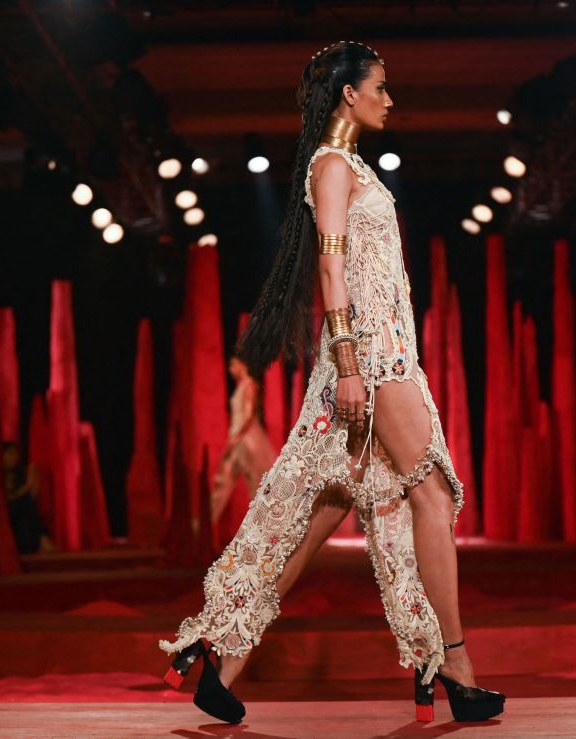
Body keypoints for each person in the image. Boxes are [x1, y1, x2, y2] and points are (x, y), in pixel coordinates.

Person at [159, 41, 504, 725]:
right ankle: (455, 665)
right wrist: (350, 362)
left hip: (378, 351)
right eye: (381, 85)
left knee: (319, 510)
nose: (389, 97)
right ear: (350, 93)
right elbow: (330, 267)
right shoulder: (332, 168)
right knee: (432, 493)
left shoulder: (348, 167)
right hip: (371, 356)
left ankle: (221, 659)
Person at [210, 357, 277, 526]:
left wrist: (235, 438)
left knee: (256, 484)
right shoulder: (242, 386)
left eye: (234, 365)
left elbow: (247, 416)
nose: (231, 369)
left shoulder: (249, 385)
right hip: (238, 439)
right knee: (223, 481)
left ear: (243, 365)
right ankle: (205, 527)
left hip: (247, 440)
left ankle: (263, 528)